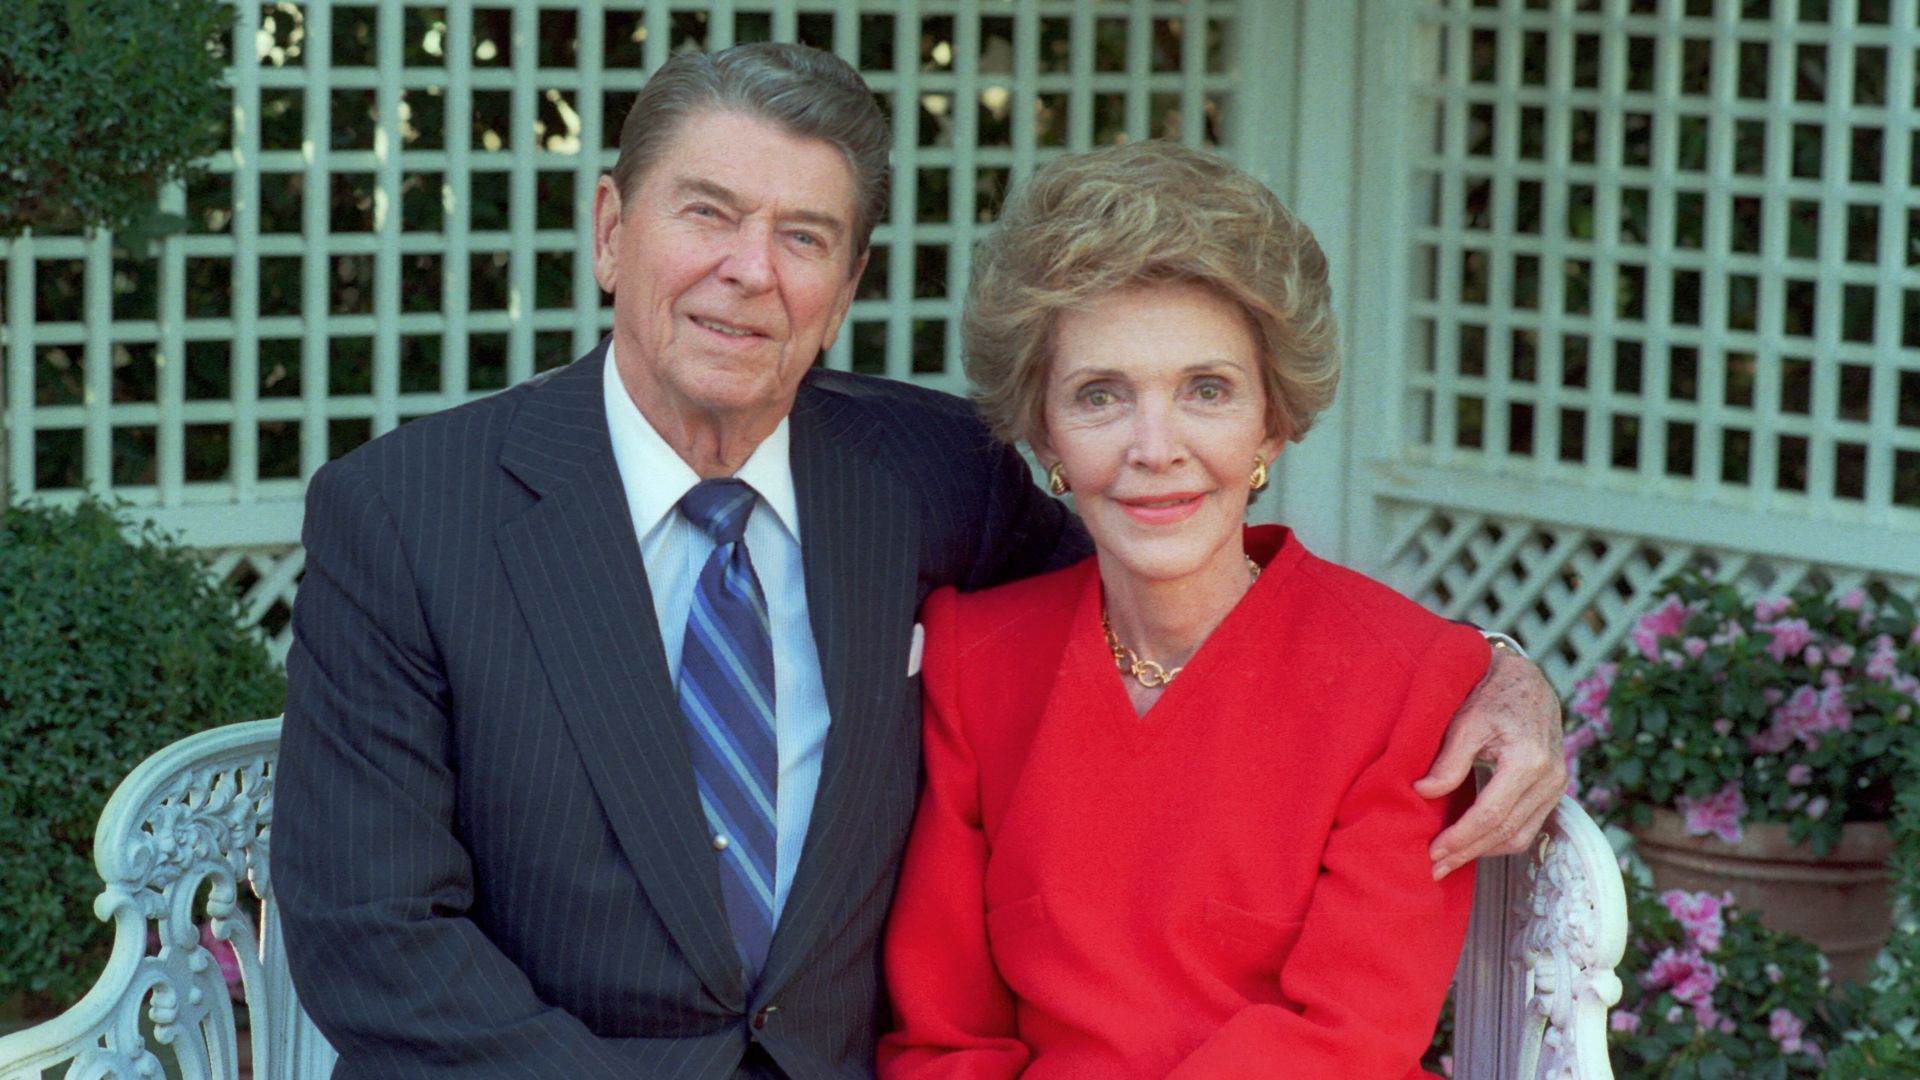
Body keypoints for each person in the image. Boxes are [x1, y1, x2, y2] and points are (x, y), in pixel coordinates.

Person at [272, 42, 1562, 1079]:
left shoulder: (928, 476)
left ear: (846, 285)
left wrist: (1494, 673)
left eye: (804, 235)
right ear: (613, 229)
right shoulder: (406, 513)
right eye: (706, 212)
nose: (747, 272)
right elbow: (374, 940)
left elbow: (1182, 579)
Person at [878, 142, 1481, 1079]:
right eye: (1101, 395)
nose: (1155, 448)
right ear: (1043, 433)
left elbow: (1348, 1041)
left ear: (1272, 422)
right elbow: (944, 1038)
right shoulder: (974, 663)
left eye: (1207, 390)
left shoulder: (1404, 683)